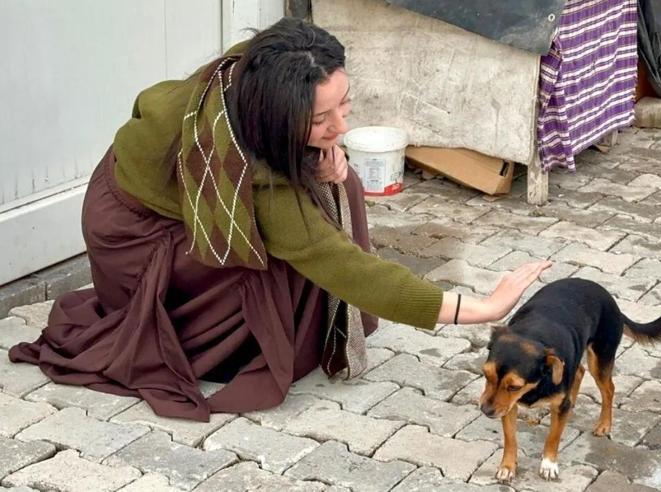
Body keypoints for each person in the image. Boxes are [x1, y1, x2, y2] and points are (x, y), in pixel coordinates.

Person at [9, 18, 551, 422]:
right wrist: (476, 308)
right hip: (132, 230)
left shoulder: (260, 64)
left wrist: (317, 151)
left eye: (345, 105)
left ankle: (317, 320)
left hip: (184, 188)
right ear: (275, 119)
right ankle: (221, 344)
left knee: (342, 181)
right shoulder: (256, 180)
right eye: (321, 119)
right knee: (281, 250)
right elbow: (344, 266)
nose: (341, 124)